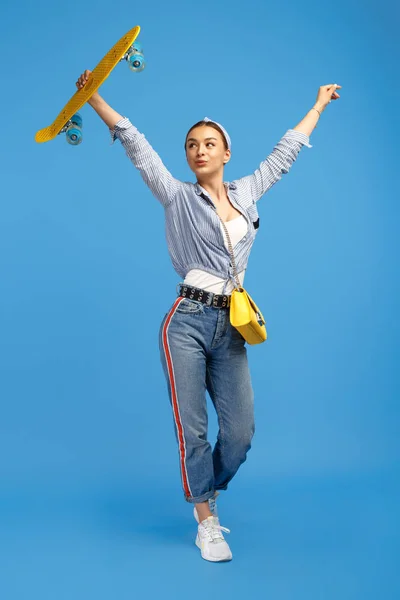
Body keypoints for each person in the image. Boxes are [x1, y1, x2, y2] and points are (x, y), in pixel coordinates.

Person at [76, 70, 341, 562]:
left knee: (239, 434)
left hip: (231, 328)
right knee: (192, 429)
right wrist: (93, 98)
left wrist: (319, 105)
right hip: (187, 322)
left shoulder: (246, 192)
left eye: (209, 143)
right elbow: (135, 144)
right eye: (192, 145)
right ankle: (206, 520)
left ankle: (203, 491)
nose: (199, 150)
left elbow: (285, 153)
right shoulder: (176, 195)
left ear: (226, 152)